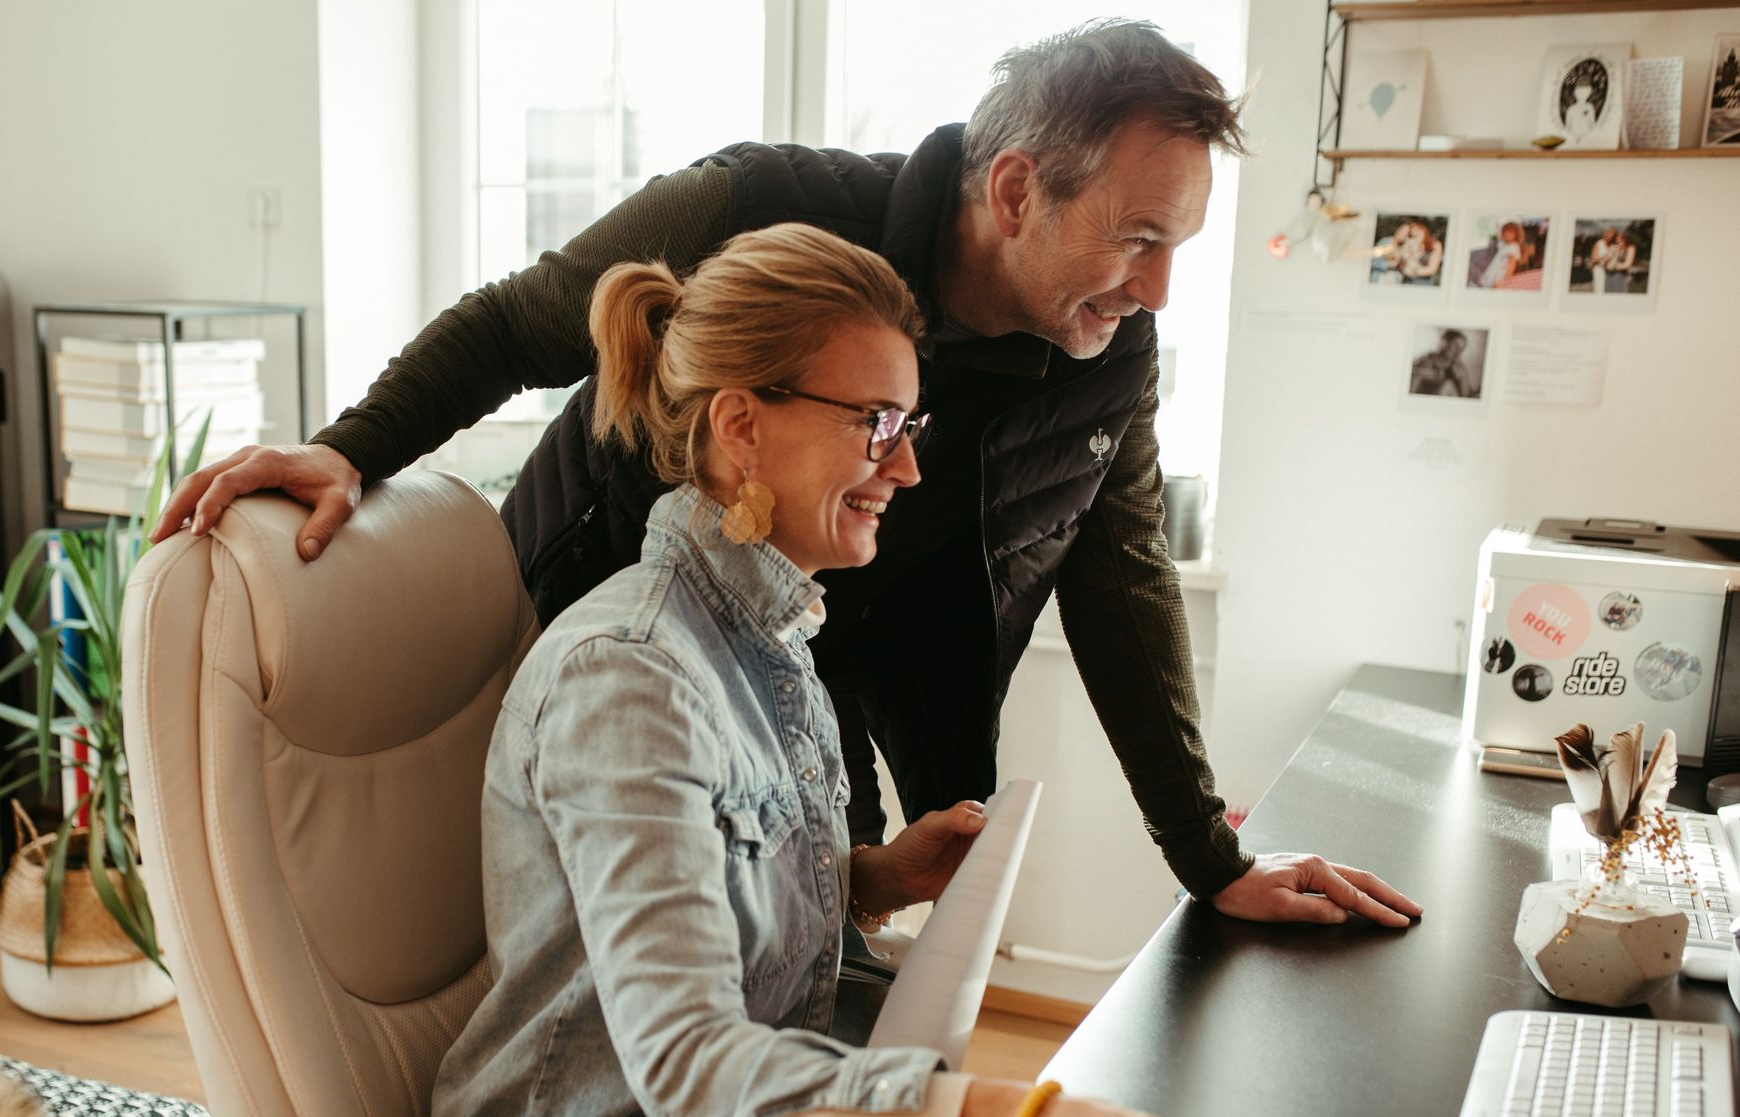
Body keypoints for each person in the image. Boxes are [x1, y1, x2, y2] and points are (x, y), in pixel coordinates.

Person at [151, 20, 1423, 948]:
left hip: (824, 663)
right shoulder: (761, 209)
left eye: (1174, 250)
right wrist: (352, 444)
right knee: (635, 953)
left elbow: (1122, 580)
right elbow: (515, 323)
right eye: (1138, 239)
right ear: (1017, 187)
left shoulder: (1107, 349)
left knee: (824, 952)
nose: (1154, 291)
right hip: (631, 629)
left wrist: (1210, 859)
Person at [427, 221, 1295, 1117]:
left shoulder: (768, 628)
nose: (909, 465)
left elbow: (688, 884)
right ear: (742, 427)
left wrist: (867, 878)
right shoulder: (628, 675)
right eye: (877, 424)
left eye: (911, 422)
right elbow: (689, 1063)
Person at [1411, 330, 1477, 399]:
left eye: (1462, 348)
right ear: (1445, 343)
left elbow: (1466, 397)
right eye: (1456, 346)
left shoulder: (1460, 368)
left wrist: (1459, 379)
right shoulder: (1427, 360)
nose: (1459, 351)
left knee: (1449, 384)